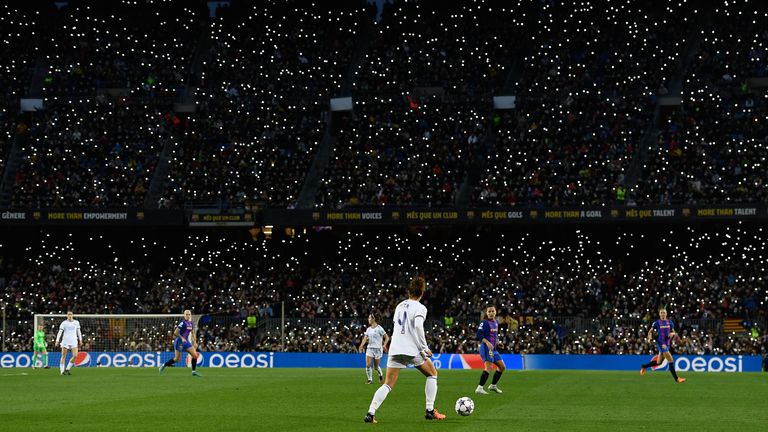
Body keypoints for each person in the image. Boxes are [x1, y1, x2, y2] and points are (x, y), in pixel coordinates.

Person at [364, 276, 446, 424]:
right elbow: (418, 326)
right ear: (422, 292)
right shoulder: (420, 308)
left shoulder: (400, 305)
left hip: (395, 348)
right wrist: (424, 348)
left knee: (387, 384)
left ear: (409, 291)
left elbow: (399, 326)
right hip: (411, 349)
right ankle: (429, 410)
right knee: (432, 374)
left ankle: (371, 413)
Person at [640, 307, 686, 383]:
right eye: (661, 313)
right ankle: (677, 379)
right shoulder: (657, 323)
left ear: (666, 314)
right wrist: (649, 338)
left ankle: (644, 366)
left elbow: (674, 332)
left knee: (659, 362)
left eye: (664, 312)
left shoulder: (670, 322)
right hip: (661, 343)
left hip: (667, 344)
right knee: (670, 360)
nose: (662, 314)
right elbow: (650, 331)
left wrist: (672, 333)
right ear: (659, 314)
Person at [159, 309, 201, 377]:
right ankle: (163, 365)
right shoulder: (182, 323)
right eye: (186, 314)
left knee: (195, 355)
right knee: (177, 359)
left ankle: (193, 371)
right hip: (179, 342)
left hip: (186, 342)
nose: (187, 316)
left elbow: (193, 333)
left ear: (190, 315)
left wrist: (195, 342)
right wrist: (182, 338)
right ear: (184, 315)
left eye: (189, 314)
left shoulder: (191, 324)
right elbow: (175, 333)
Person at [475, 305, 506, 394]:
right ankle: (479, 388)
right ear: (486, 313)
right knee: (489, 367)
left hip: (493, 349)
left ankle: (493, 386)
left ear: (496, 312)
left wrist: (497, 343)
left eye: (493, 311)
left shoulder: (496, 322)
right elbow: (479, 336)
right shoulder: (484, 323)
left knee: (502, 367)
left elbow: (494, 336)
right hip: (485, 348)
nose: (491, 313)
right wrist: (487, 343)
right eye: (489, 311)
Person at [358, 312, 390, 384]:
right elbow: (365, 338)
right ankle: (370, 380)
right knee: (368, 365)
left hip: (378, 350)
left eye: (369, 318)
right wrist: (361, 345)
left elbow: (387, 337)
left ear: (373, 319)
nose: (368, 319)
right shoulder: (368, 329)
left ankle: (381, 375)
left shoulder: (379, 328)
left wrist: (384, 345)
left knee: (376, 367)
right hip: (370, 349)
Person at [55, 311, 82, 376]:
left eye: (71, 314)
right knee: (63, 356)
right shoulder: (64, 323)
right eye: (68, 314)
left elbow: (79, 332)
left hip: (74, 341)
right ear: (67, 316)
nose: (70, 315)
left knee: (75, 355)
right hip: (65, 341)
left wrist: (80, 340)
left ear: (73, 315)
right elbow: (60, 332)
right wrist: (57, 340)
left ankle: (67, 368)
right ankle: (62, 371)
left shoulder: (76, 322)